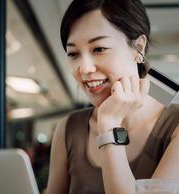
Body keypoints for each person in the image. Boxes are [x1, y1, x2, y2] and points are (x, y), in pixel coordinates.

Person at [46, 0, 179, 193]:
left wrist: (109, 124)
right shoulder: (69, 129)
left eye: (99, 49)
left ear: (139, 48)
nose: (84, 68)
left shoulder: (174, 126)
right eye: (73, 53)